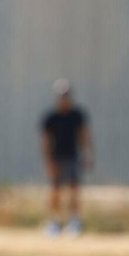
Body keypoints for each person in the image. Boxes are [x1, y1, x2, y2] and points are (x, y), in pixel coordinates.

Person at [40, 78, 92, 236]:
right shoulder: (51, 118)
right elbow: (46, 142)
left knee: (74, 189)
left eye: (66, 95)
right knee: (55, 191)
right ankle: (54, 221)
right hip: (57, 157)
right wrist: (49, 161)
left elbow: (84, 137)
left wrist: (87, 154)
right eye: (61, 96)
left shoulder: (77, 115)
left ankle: (74, 221)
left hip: (72, 156)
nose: (64, 99)